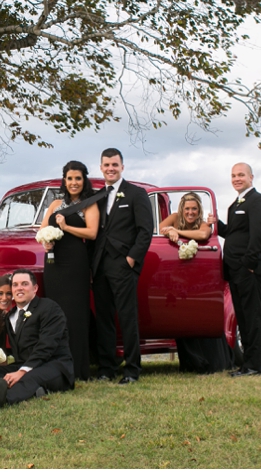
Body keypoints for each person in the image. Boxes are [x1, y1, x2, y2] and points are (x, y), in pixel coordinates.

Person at [91, 148, 152, 384]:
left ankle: (132, 369)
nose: (110, 168)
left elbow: (145, 231)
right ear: (101, 167)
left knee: (127, 317)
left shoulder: (137, 194)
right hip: (100, 266)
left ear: (122, 167)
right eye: (106, 165)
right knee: (104, 318)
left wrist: (131, 259)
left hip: (123, 264)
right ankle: (107, 368)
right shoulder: (98, 196)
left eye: (115, 165)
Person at [38, 160, 100, 381]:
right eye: (70, 178)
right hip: (54, 264)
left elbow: (92, 233)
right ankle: (56, 366)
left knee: (76, 315)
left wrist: (65, 228)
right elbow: (43, 228)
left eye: (78, 178)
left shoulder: (89, 204)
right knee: (56, 313)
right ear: (64, 180)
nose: (74, 182)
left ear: (84, 180)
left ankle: (79, 368)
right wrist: (45, 242)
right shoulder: (55, 204)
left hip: (76, 263)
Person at [209, 162, 261, 377]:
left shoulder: (258, 201)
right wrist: (216, 223)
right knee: (243, 317)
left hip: (248, 270)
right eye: (234, 175)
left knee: (253, 317)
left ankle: (255, 365)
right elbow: (234, 233)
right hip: (234, 269)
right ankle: (247, 363)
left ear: (251, 177)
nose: (237, 178)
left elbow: (259, 235)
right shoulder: (236, 203)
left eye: (241, 175)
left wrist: (250, 264)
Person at [161, 192, 232, 374]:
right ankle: (189, 361)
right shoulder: (175, 217)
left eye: (194, 209)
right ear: (181, 209)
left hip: (199, 274)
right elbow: (161, 228)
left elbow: (203, 233)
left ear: (199, 209)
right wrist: (170, 231)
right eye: (187, 209)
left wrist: (178, 232)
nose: (190, 212)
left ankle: (211, 361)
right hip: (178, 275)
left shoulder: (202, 222)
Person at [0, 270, 75, 410]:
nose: (19, 288)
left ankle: (2, 400)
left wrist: (22, 372)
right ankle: (34, 390)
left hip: (53, 365)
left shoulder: (49, 308)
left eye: (24, 284)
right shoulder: (11, 316)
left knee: (30, 378)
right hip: (24, 364)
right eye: (15, 285)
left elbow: (47, 346)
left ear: (35, 288)